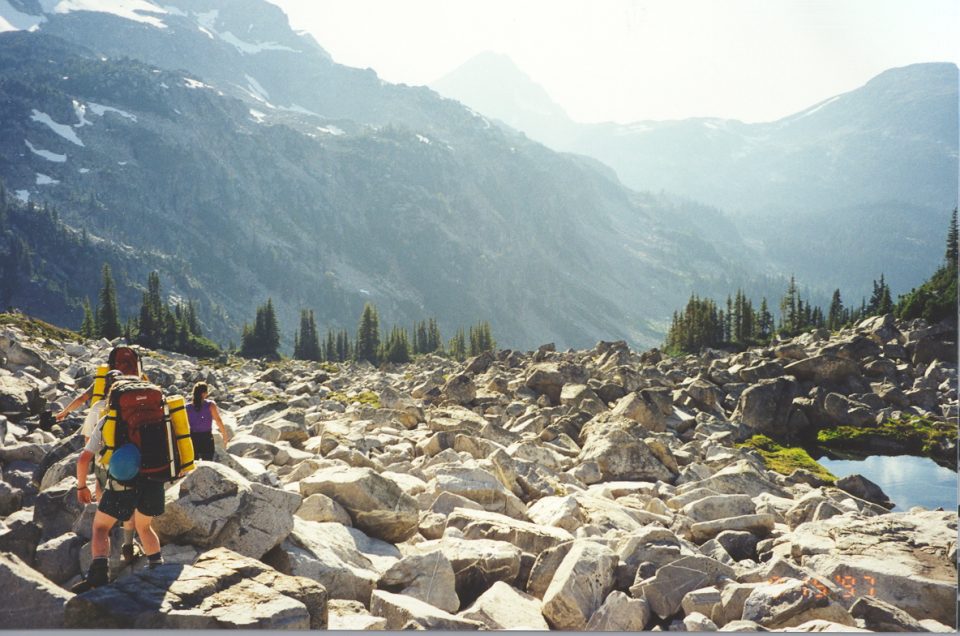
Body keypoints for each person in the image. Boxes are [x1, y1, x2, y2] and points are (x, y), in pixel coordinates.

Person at [72, 382, 165, 593]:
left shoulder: (109, 421)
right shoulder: (160, 418)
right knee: (144, 527)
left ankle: (98, 576)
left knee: (100, 527)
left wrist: (81, 487)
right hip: (154, 480)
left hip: (123, 483)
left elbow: (83, 459)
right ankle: (158, 571)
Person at [186, 382, 230, 460]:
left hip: (192, 438)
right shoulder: (210, 405)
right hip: (206, 438)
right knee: (208, 461)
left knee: (193, 463)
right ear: (204, 393)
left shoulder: (187, 407)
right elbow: (218, 420)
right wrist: (224, 434)